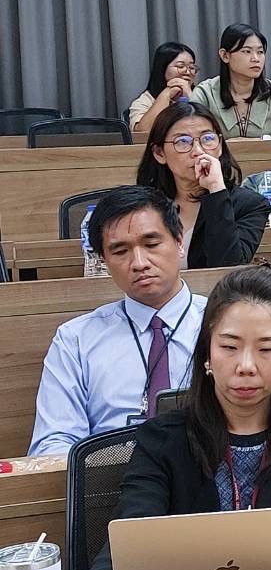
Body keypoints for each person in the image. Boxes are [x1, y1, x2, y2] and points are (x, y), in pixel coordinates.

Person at [59, 264, 271, 570]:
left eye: (267, 349)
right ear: (207, 355)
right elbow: (135, 525)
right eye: (229, 347)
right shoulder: (162, 439)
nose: (246, 365)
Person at [28, 187, 207, 456]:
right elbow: (52, 444)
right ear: (103, 260)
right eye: (120, 251)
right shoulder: (75, 341)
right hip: (111, 478)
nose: (139, 263)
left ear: (179, 241)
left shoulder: (221, 323)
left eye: (151, 244)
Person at [137, 100, 269, 268]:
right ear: (159, 153)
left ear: (219, 146)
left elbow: (228, 267)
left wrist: (216, 189)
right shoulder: (143, 206)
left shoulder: (249, 205)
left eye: (207, 139)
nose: (198, 151)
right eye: (182, 141)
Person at [190, 24, 271, 139]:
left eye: (260, 52)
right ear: (225, 55)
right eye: (247, 51)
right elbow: (190, 132)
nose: (256, 59)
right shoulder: (205, 93)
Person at [128, 43, 198, 134]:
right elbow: (143, 133)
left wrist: (190, 95)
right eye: (180, 66)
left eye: (191, 67)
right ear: (162, 68)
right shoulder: (146, 100)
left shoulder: (202, 92)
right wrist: (167, 93)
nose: (188, 72)